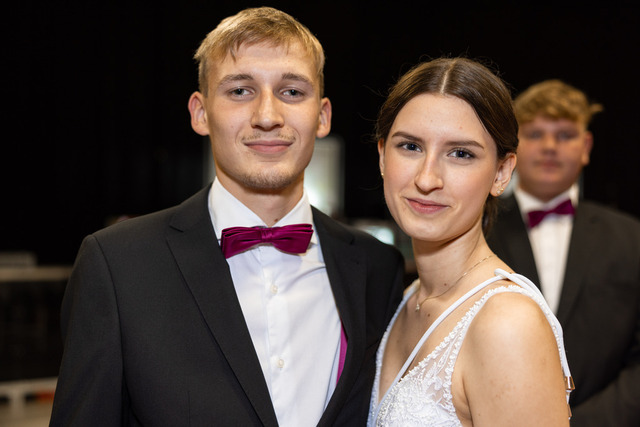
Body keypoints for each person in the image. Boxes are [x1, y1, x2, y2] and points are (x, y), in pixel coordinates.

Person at [49, 7, 405, 426]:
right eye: (240, 90)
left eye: (292, 91)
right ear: (200, 113)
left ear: (322, 116)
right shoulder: (117, 265)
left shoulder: (377, 268)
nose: (268, 116)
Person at [367, 58, 573, 426]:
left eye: (461, 154)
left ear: (501, 173)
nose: (427, 178)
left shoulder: (507, 323)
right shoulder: (406, 301)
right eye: (410, 146)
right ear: (382, 156)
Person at [487, 79, 640, 426]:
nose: (550, 146)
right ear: (512, 148)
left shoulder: (632, 238)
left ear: (586, 146)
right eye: (535, 134)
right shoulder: (477, 231)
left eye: (565, 135)